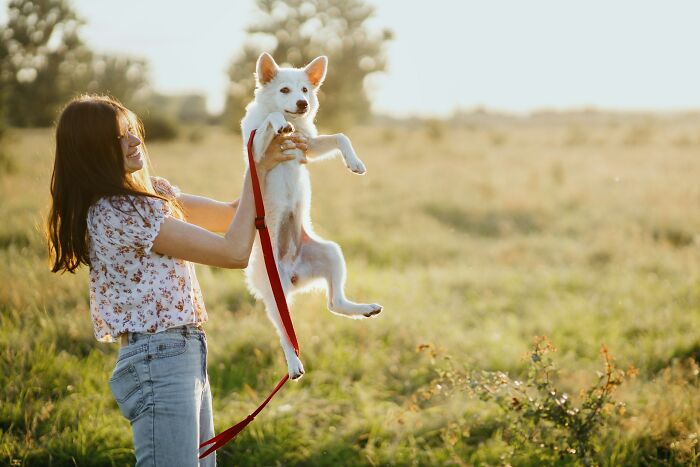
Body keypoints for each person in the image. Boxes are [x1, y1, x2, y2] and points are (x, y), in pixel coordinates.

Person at [46, 94, 307, 466]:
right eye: (119, 137)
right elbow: (234, 251)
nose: (135, 141)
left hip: (183, 352)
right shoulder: (119, 212)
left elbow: (232, 216)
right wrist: (257, 170)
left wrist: (274, 168)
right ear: (91, 150)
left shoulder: (153, 196)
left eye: (131, 131)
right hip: (158, 359)